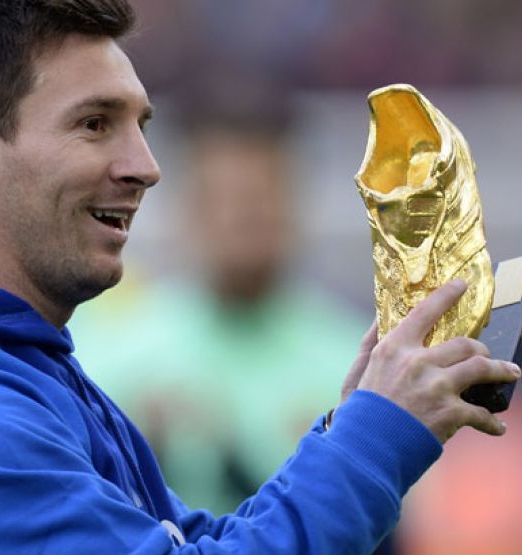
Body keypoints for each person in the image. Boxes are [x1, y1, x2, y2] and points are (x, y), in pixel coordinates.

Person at [0, 1, 522, 553]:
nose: (145, 168)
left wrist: (366, 411)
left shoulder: (20, 372)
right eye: (95, 124)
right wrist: (375, 440)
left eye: (141, 127)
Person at [71, 115, 374, 514]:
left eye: (263, 196)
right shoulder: (107, 353)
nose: (246, 219)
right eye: (227, 198)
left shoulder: (358, 359)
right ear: (188, 208)